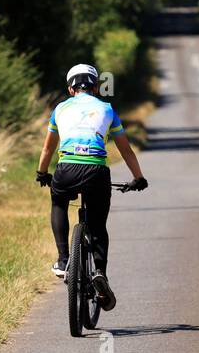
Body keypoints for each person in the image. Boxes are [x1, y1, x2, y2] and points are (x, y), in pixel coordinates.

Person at [36, 63, 147, 311]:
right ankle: (100, 273)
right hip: (96, 171)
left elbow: (47, 148)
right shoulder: (107, 109)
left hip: (66, 170)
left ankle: (64, 259)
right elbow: (125, 149)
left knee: (59, 202)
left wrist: (42, 172)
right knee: (98, 225)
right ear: (96, 88)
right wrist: (138, 178)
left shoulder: (60, 108)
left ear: (70, 88)